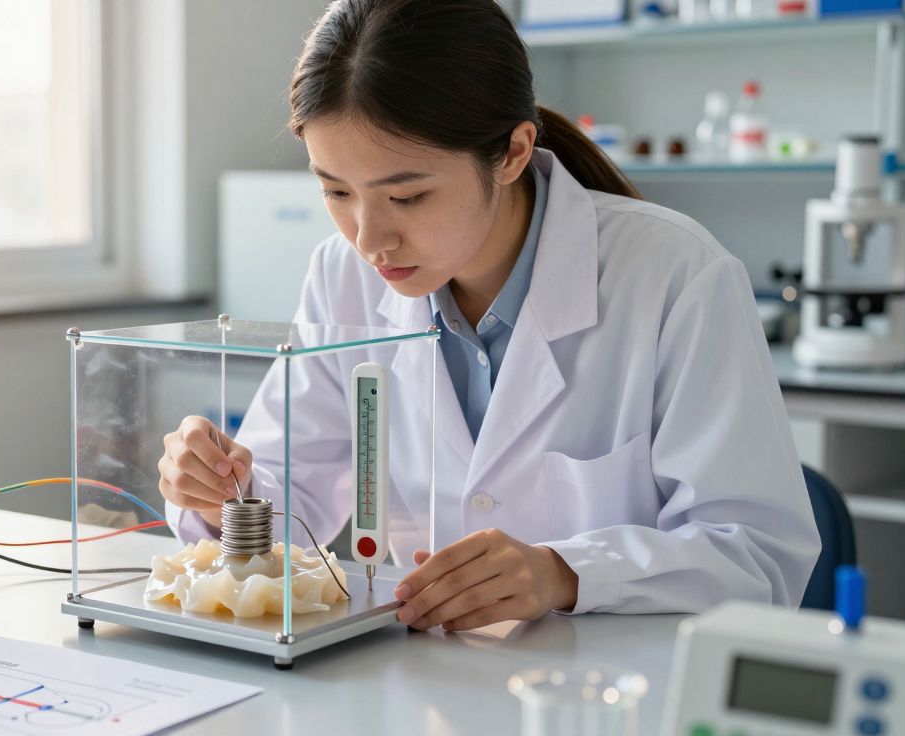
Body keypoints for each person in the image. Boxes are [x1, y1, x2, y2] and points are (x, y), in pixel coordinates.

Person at [157, 0, 820, 632]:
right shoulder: (342, 278)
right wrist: (224, 496)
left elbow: (759, 557)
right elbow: (289, 503)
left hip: (614, 692)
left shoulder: (677, 276)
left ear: (512, 152)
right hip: (423, 682)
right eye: (335, 190)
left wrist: (565, 573)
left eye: (408, 196)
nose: (369, 238)